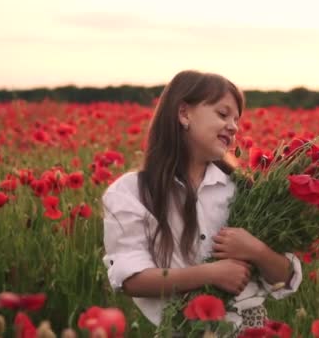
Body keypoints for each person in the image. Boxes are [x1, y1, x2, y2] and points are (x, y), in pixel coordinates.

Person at [101, 70, 303, 335]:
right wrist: (211, 274)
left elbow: (286, 278)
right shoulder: (131, 193)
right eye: (223, 114)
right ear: (184, 114)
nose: (234, 127)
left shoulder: (245, 191)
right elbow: (132, 280)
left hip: (250, 329)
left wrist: (255, 250)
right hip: (182, 330)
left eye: (236, 120)